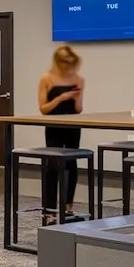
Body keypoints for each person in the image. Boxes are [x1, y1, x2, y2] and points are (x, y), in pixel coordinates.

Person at [37, 44, 85, 223]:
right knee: (53, 166)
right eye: (65, 62)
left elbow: (79, 109)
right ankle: (49, 211)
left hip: (72, 125)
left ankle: (68, 207)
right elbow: (43, 108)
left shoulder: (78, 79)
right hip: (53, 125)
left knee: (71, 165)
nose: (69, 66)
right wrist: (60, 98)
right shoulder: (47, 78)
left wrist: (76, 98)